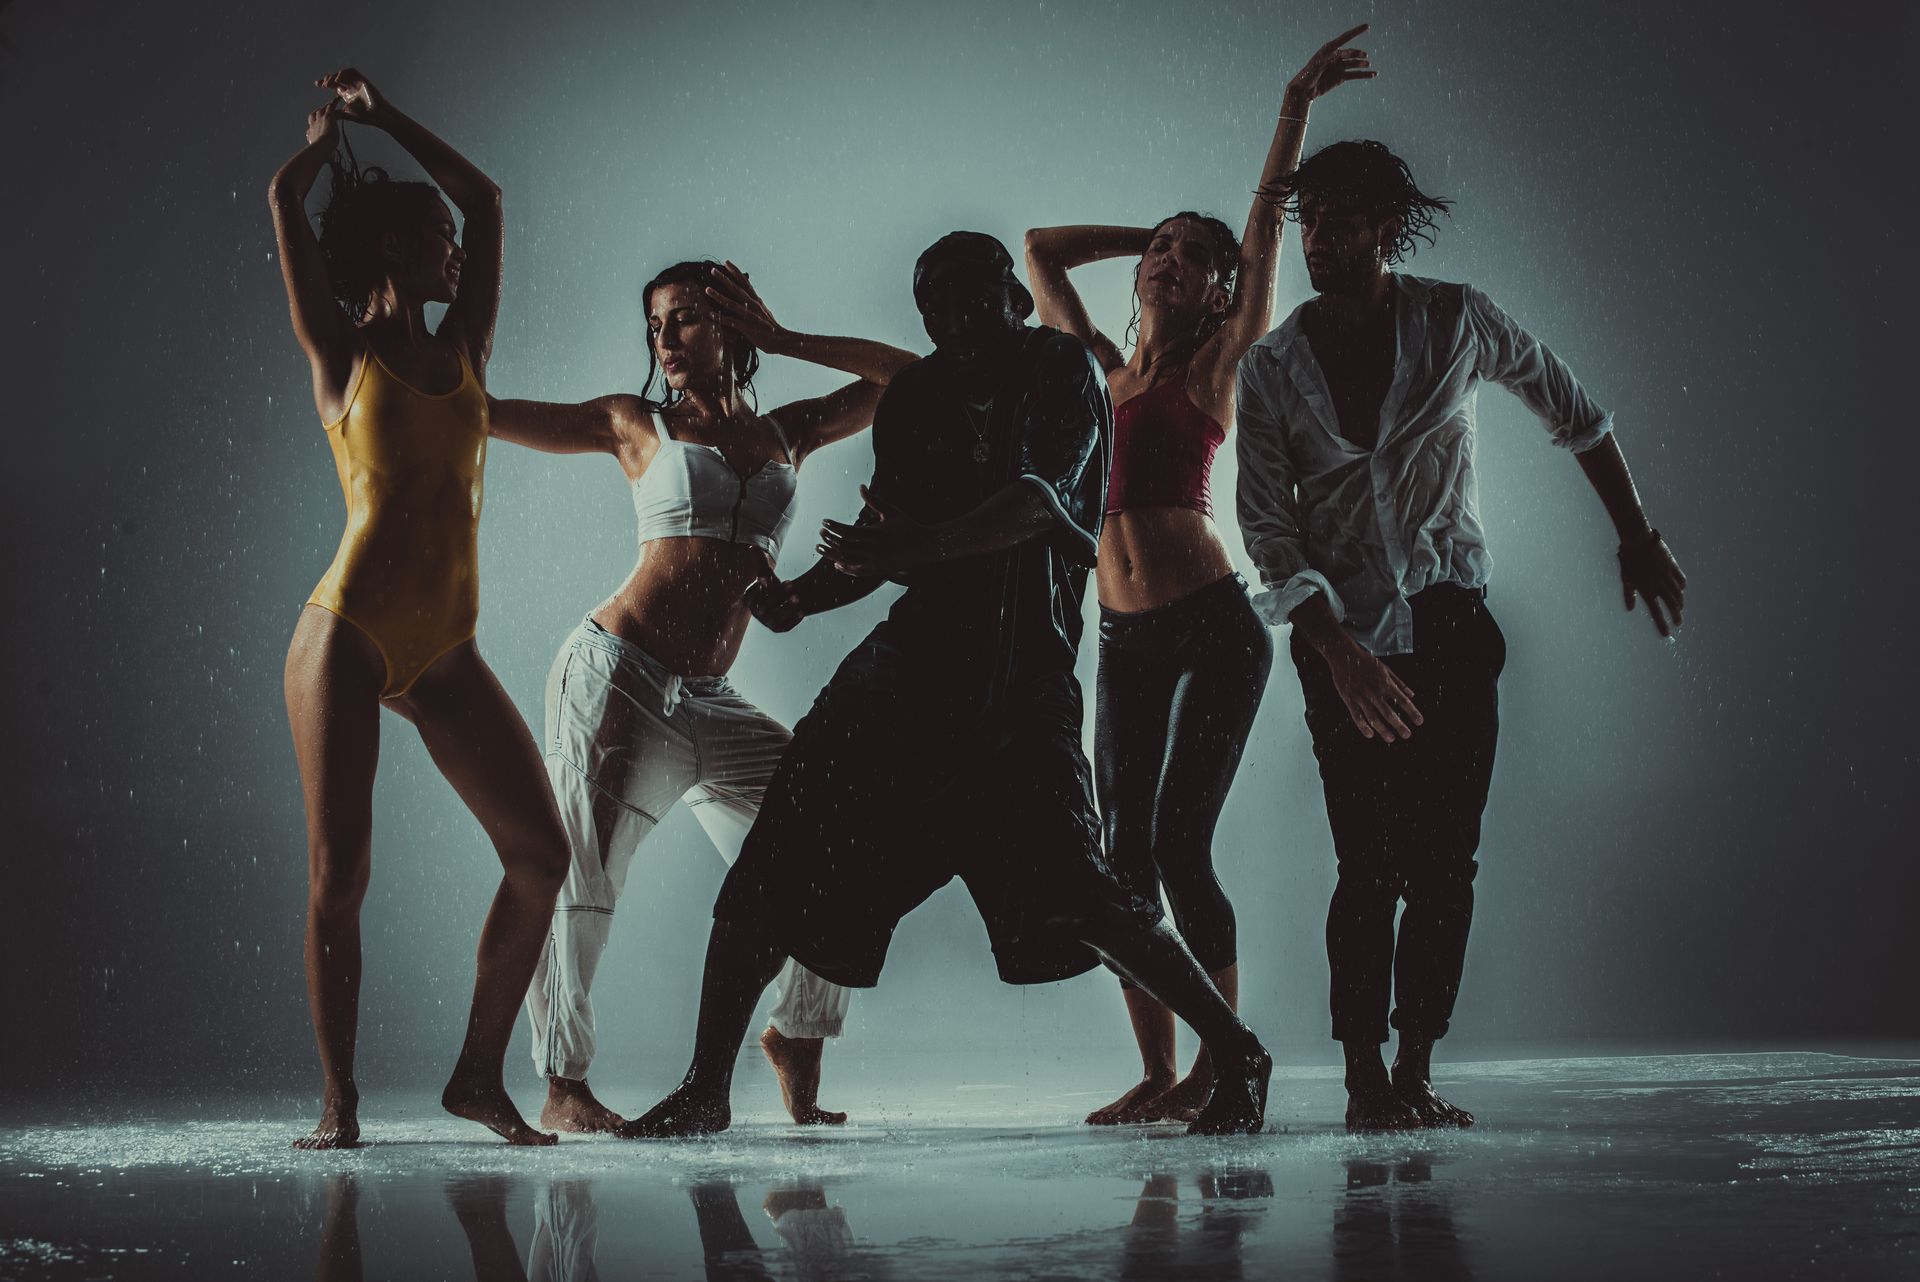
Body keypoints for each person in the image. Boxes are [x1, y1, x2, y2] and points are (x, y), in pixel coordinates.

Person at [621, 232, 1272, 1141]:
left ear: (1013, 294)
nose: (959, 322)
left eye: (975, 300)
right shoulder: (921, 393)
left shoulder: (1060, 370)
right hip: (905, 682)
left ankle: (1236, 1053)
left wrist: (911, 550)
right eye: (938, 310)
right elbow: (884, 531)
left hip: (1016, 690)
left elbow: (1040, 503)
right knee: (772, 866)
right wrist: (801, 599)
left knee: (1085, 893)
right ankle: (704, 1087)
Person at [1235, 139, 1688, 1130]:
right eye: (1310, 220)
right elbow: (1268, 533)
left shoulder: (1455, 318)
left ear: (1388, 227)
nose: (1321, 238)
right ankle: (1361, 1079)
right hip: (1341, 635)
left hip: (1449, 625)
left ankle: (1412, 1070)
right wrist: (1338, 654)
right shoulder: (1271, 368)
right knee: (1367, 863)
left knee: (1446, 863)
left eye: (1344, 219)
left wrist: (1637, 535)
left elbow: (1575, 412)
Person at [1024, 24, 1375, 1125]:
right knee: (1117, 861)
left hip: (1215, 627)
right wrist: (1159, 229)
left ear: (1224, 290)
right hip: (1121, 637)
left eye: (1192, 257)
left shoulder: (1224, 362)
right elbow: (1037, 249)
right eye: (1158, 255)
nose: (1166, 263)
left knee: (1180, 845)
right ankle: (1162, 1068)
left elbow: (1263, 225)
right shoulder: (1094, 370)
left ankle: (1223, 1064)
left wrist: (1291, 104)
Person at [486, 261, 915, 1132]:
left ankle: (798, 1037)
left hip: (711, 698)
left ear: (731, 326)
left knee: (834, 829)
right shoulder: (634, 422)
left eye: (686, 319)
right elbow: (486, 414)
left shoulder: (791, 431)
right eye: (656, 324)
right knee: (583, 877)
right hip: (617, 677)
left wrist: (788, 336)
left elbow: (910, 379)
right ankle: (563, 1083)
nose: (667, 340)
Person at [268, 69, 568, 1148]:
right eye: (431, 236)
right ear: (393, 251)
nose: (456, 248)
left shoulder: (469, 351)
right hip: (343, 634)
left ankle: (477, 1078)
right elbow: (282, 202)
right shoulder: (343, 357)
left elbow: (488, 204)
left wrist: (383, 115)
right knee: (339, 873)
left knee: (541, 854)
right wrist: (320, 142)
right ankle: (340, 1103)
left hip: (444, 647)